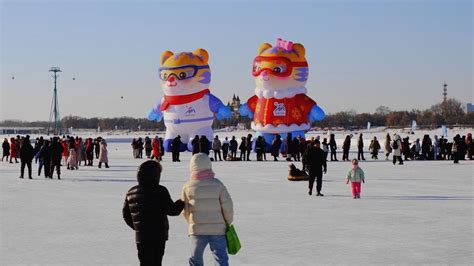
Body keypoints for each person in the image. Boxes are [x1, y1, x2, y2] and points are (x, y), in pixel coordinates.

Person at [122, 160, 184, 266]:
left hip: (141, 236)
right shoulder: (160, 191)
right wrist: (181, 202)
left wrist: (138, 227)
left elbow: (126, 215)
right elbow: (173, 210)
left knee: (144, 262)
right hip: (158, 235)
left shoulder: (131, 192)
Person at [181, 153, 233, 266]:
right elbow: (228, 207)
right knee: (221, 259)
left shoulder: (188, 186)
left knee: (196, 259)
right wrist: (226, 223)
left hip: (197, 229)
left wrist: (191, 222)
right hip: (218, 229)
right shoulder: (218, 184)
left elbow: (185, 210)